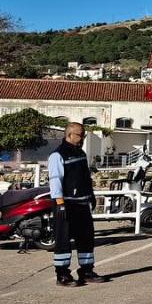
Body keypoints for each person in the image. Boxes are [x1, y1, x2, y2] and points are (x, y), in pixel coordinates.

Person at [48, 122, 107, 287]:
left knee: (86, 238)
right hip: (66, 204)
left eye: (83, 135)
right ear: (69, 135)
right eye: (80, 135)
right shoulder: (57, 155)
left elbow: (85, 178)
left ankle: (86, 270)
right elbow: (55, 181)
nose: (82, 139)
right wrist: (60, 204)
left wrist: (92, 196)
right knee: (64, 240)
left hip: (82, 203)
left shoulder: (80, 153)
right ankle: (62, 274)